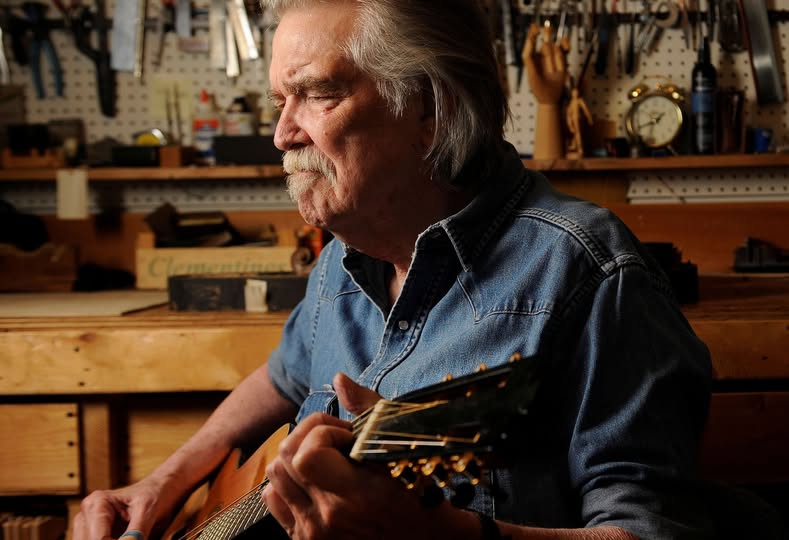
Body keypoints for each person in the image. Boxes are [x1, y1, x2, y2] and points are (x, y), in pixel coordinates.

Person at [74, 1, 718, 539]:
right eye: (279, 101)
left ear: (430, 110)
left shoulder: (588, 274)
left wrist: (437, 533)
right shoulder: (343, 257)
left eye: (317, 95)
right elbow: (280, 376)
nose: (282, 133)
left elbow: (648, 532)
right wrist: (166, 480)